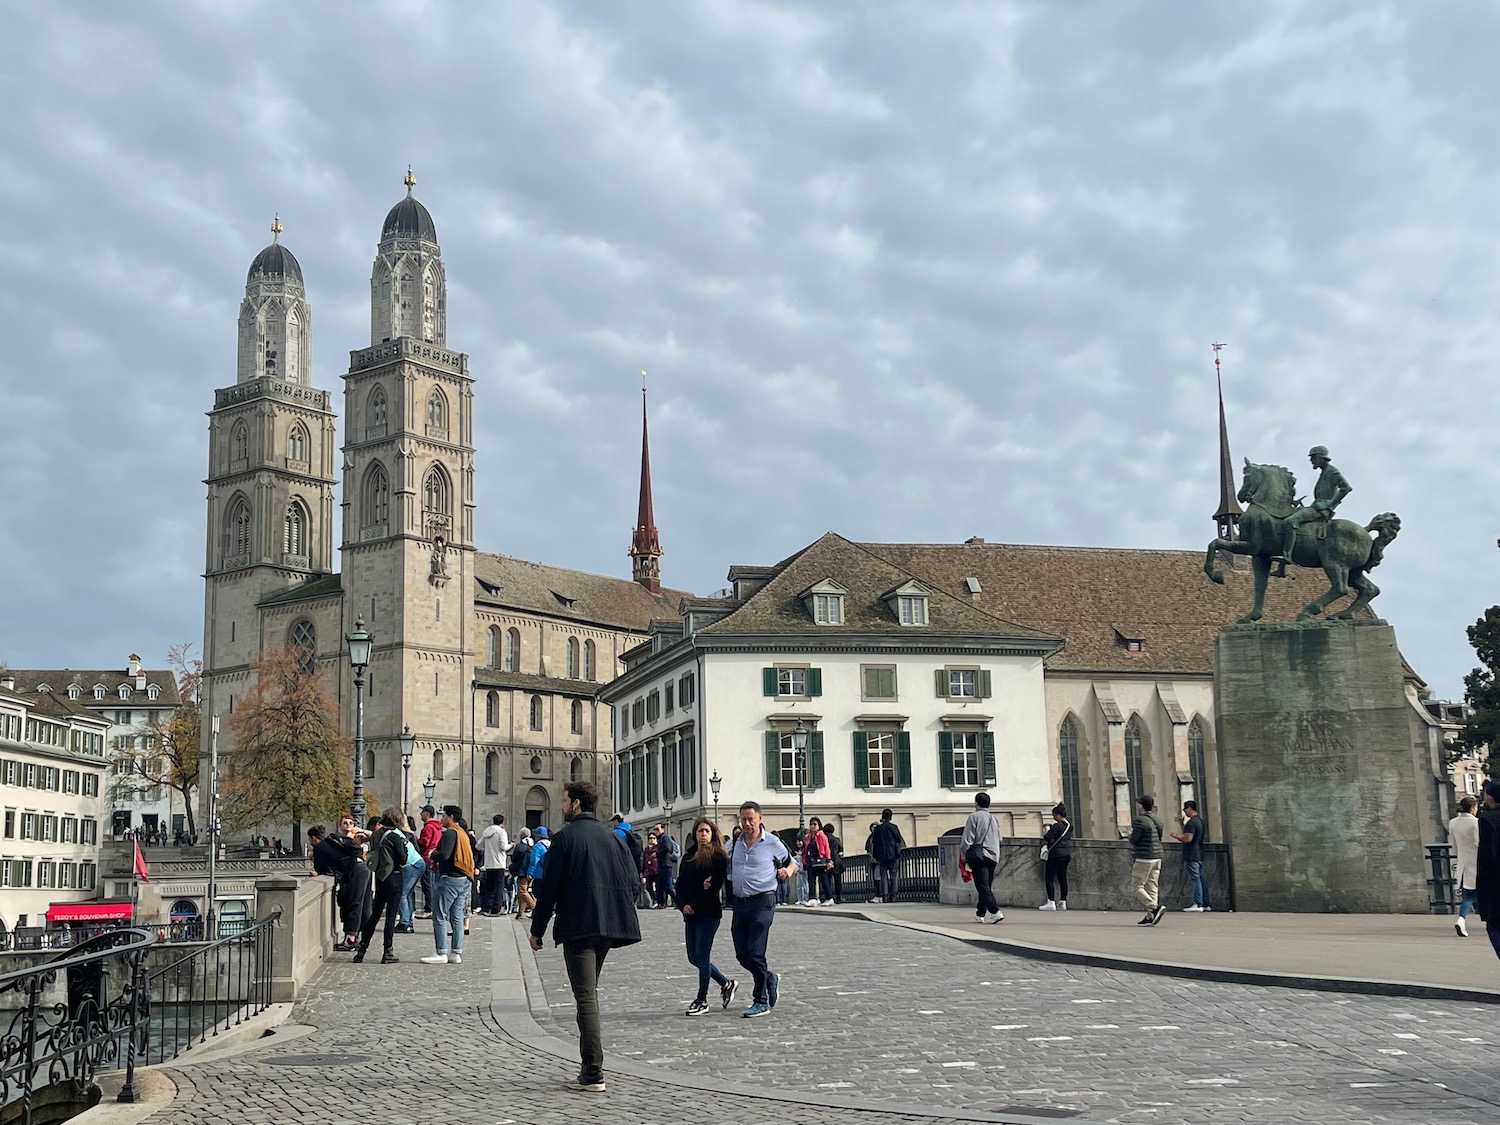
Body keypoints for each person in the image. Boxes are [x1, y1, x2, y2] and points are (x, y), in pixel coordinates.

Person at [529, 781, 641, 1094]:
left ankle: (593, 1071)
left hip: (579, 926)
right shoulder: (612, 837)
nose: (561, 806)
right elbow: (633, 883)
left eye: (564, 801)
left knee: (586, 998)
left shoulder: (564, 839)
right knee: (588, 992)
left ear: (576, 803)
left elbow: (547, 890)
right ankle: (589, 1067)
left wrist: (536, 930)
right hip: (608, 927)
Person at [727, 801, 797, 1018]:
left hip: (763, 901)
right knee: (742, 954)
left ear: (760, 818)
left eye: (751, 819)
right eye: (743, 819)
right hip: (740, 903)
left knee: (756, 952)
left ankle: (761, 1000)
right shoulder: (735, 844)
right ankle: (769, 977)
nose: (747, 823)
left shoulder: (772, 843)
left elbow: (792, 861)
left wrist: (787, 871)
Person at [674, 816, 735, 1016]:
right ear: (695, 834)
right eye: (700, 831)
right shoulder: (688, 857)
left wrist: (694, 903)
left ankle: (702, 999)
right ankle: (726, 983)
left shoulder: (717, 856)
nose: (703, 834)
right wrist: (682, 904)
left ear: (712, 833)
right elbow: (681, 884)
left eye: (707, 831)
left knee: (703, 956)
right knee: (693, 957)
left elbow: (713, 886)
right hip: (690, 913)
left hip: (708, 912)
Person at [1276, 445, 1352, 570]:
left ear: (1320, 458)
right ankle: (1281, 567)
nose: (1311, 461)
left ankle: (1287, 555)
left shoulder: (1332, 471)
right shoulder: (1325, 472)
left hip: (1320, 509)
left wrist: (1329, 504)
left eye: (1313, 458)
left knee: (1290, 522)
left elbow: (1346, 488)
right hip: (1316, 506)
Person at [420, 805, 475, 965]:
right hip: (463, 879)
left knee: (439, 914)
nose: (441, 818)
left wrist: (432, 854)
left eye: (443, 815)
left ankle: (441, 952)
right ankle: (456, 953)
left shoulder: (451, 833)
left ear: (450, 816)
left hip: (450, 879)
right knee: (457, 917)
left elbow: (445, 854)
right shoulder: (462, 833)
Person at [355, 808, 408, 964]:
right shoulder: (396, 837)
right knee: (390, 915)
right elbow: (403, 859)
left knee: (375, 913)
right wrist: (404, 847)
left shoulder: (376, 834)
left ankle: (362, 950)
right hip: (395, 876)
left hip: (379, 877)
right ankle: (387, 952)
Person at [309, 816, 370, 949]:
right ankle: (361, 938)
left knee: (353, 903)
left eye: (310, 840)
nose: (310, 842)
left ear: (313, 838)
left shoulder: (319, 848)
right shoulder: (331, 841)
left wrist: (316, 871)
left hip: (355, 871)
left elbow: (321, 869)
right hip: (361, 867)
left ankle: (350, 940)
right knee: (361, 904)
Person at [962, 792, 1003, 924]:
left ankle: (995, 911)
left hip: (980, 855)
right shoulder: (993, 818)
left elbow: (968, 838)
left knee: (981, 885)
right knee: (986, 885)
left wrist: (963, 852)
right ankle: (980, 913)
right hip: (993, 855)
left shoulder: (974, 817)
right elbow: (999, 837)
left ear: (976, 803)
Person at [1130, 794, 1166, 926]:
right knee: (1152, 885)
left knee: (1137, 886)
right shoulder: (1158, 820)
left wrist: (1130, 835)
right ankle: (1151, 916)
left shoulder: (1140, 821)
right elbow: (1159, 836)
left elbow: (1134, 839)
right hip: (1157, 856)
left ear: (1141, 806)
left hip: (1144, 857)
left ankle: (1154, 908)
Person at [1169, 800, 1210, 912]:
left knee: (1195, 879)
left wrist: (1175, 835)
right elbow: (1190, 834)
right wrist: (1182, 824)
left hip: (1191, 854)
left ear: (1189, 809)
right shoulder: (1199, 821)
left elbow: (1188, 838)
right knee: (1201, 879)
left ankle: (1198, 903)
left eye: (1185, 809)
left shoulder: (1192, 823)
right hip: (1199, 853)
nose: (1184, 811)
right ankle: (1205, 904)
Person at [1449, 795, 1480, 937]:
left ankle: (1461, 919)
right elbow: (1478, 843)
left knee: (1467, 895)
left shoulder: (1453, 823)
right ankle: (1462, 919)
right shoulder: (1475, 823)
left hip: (1462, 863)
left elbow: (1454, 846)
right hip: (1476, 863)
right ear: (1473, 808)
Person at [1038, 803, 1072, 910]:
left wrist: (1047, 829)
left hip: (1056, 854)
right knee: (1062, 877)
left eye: (1054, 815)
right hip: (1066, 853)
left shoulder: (1057, 826)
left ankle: (1051, 901)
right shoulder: (1069, 826)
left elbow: (1048, 837)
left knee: (1049, 878)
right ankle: (1063, 901)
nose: (1053, 817)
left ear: (1058, 815)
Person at [869, 808, 905, 903]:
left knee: (883, 875)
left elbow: (875, 843)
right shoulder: (894, 827)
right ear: (891, 817)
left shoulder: (878, 829)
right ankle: (893, 895)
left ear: (882, 816)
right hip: (893, 854)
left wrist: (875, 855)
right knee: (893, 875)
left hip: (881, 855)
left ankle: (884, 895)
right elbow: (898, 839)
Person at [478, 813, 510, 916]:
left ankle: (486, 907)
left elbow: (478, 846)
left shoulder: (486, 832)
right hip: (499, 863)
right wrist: (511, 845)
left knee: (489, 887)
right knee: (499, 887)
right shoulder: (501, 832)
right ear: (502, 822)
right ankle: (496, 908)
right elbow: (503, 847)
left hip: (489, 863)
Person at [415, 806, 442, 918]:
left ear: (427, 814)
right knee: (432, 884)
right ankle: (431, 907)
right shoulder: (437, 827)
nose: (421, 814)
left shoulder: (428, 828)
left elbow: (425, 843)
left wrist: (416, 840)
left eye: (422, 812)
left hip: (426, 857)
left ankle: (429, 908)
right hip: (434, 857)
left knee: (427, 884)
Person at [801, 816, 834, 905]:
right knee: (811, 880)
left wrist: (828, 859)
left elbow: (827, 848)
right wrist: (804, 861)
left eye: (815, 824)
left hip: (820, 860)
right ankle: (812, 898)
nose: (812, 826)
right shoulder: (808, 837)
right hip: (811, 861)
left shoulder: (822, 836)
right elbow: (806, 849)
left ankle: (829, 897)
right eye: (811, 824)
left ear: (819, 825)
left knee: (824, 879)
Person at [653, 821, 679, 908]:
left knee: (668, 885)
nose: (656, 831)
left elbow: (668, 848)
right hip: (661, 865)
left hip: (666, 864)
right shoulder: (660, 839)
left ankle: (678, 902)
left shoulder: (665, 838)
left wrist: (657, 853)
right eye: (655, 829)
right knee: (659, 885)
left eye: (657, 829)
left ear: (662, 829)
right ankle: (661, 903)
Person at [510, 827, 535, 916]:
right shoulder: (533, 845)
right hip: (531, 871)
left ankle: (534, 907)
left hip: (522, 871)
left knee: (522, 890)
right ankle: (521, 912)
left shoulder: (520, 846)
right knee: (523, 891)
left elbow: (514, 858)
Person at [821, 821, 844, 904]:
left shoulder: (823, 839)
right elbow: (841, 849)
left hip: (827, 860)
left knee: (827, 880)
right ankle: (839, 897)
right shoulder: (836, 839)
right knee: (838, 881)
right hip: (837, 861)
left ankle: (828, 896)